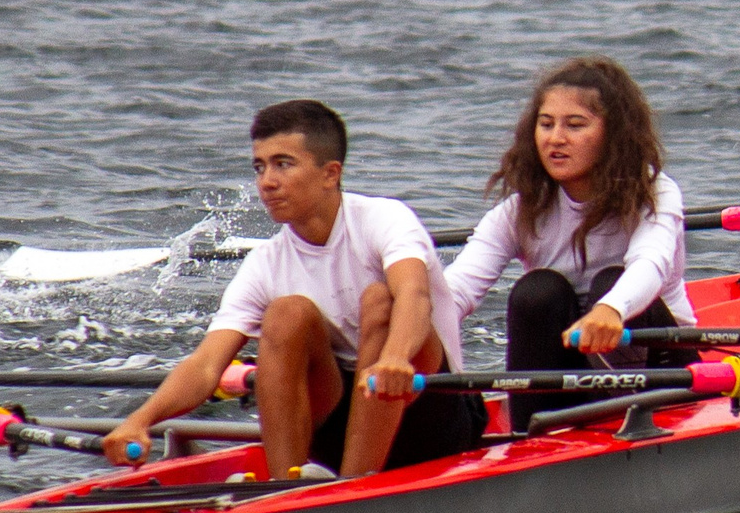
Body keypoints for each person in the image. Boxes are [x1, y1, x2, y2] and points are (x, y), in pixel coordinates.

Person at [100, 100, 484, 478]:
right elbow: (204, 366)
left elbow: (415, 295)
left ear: (330, 174)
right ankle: (285, 486)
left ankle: (348, 490)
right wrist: (140, 420)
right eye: (259, 167)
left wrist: (397, 357)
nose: (266, 181)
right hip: (340, 419)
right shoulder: (265, 263)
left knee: (380, 298)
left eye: (283, 164)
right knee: (286, 313)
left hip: (431, 413)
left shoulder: (384, 220)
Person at [444, 56, 697, 433]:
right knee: (536, 292)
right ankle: (532, 432)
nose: (555, 138)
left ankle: (628, 417)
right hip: (571, 366)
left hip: (660, 365)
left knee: (610, 283)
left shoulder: (654, 194)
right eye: (545, 125)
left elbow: (651, 264)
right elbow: (458, 287)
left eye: (574, 125)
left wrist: (611, 309)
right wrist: (402, 333)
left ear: (613, 135)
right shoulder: (520, 210)